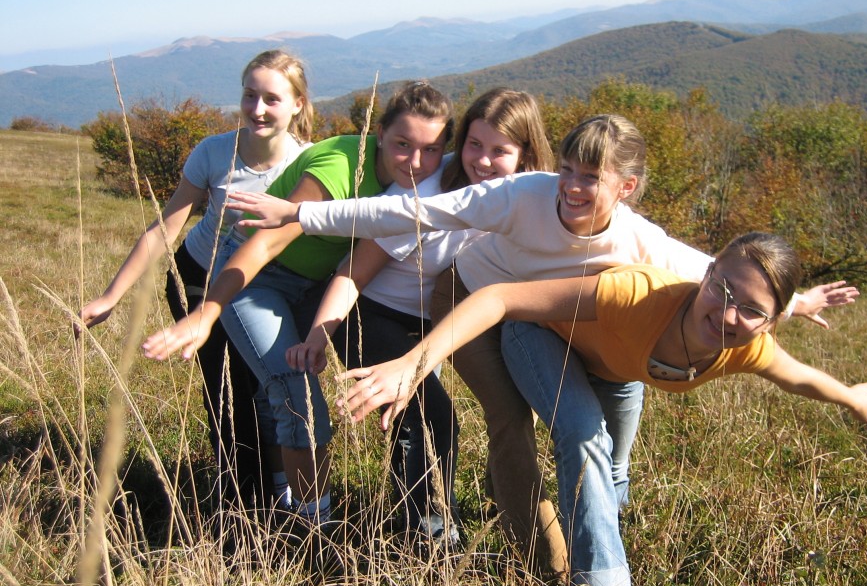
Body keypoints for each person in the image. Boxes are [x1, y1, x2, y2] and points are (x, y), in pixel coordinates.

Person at [224, 114, 858, 584]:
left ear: (627, 187)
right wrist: (302, 217)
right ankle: (545, 566)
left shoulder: (641, 241)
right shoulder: (520, 195)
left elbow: (717, 275)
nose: (573, 188)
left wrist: (796, 304)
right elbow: (415, 215)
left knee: (592, 445)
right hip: (470, 298)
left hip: (548, 324)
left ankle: (591, 534)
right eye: (571, 171)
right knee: (510, 420)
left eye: (593, 179)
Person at [334, 232, 867, 586]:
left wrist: (852, 399)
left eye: (751, 310)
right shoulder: (635, 293)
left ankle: (573, 520)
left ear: (771, 320)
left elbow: (798, 377)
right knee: (582, 434)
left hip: (617, 369)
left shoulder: (748, 348)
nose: (727, 314)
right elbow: (502, 298)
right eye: (723, 289)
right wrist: (414, 363)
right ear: (707, 272)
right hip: (542, 335)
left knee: (611, 475)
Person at [141, 81, 453, 532]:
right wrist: (207, 312)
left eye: (430, 149)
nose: (415, 161)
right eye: (402, 144)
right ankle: (311, 527)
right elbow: (265, 244)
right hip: (257, 282)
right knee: (295, 394)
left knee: (409, 388)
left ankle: (409, 513)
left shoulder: (437, 176)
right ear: (379, 133)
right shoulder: (341, 166)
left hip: (322, 285)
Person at [286, 87, 554, 547]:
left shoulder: (533, 194)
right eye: (474, 145)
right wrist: (318, 334)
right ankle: (426, 533)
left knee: (514, 403)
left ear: (526, 154)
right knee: (432, 417)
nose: (483, 161)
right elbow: (354, 270)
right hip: (374, 316)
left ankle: (500, 496)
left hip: (454, 316)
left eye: (499, 151)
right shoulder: (429, 195)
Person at [77, 49, 312, 510]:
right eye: (249, 96)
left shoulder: (305, 164)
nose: (258, 109)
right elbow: (166, 228)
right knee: (224, 387)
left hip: (262, 286)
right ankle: (240, 496)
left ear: (298, 105)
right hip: (198, 278)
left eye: (272, 99)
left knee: (265, 388)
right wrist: (110, 297)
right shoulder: (214, 151)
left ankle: (275, 487)